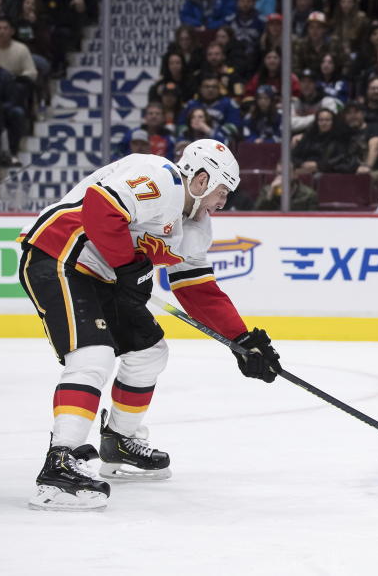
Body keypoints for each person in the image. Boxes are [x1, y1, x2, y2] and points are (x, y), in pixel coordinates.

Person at [18, 141, 282, 510]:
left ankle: (120, 441)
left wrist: (242, 340)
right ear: (202, 179)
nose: (223, 202)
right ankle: (59, 465)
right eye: (222, 191)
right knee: (93, 356)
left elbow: (197, 288)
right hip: (60, 256)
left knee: (149, 353)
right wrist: (128, 267)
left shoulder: (196, 228)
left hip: (104, 277)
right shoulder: (161, 179)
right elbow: (100, 208)